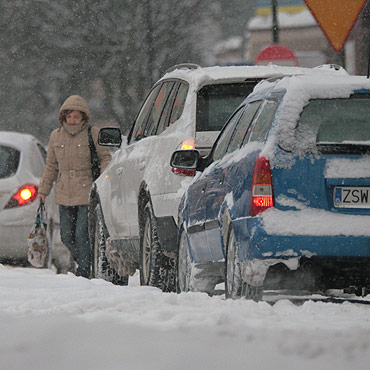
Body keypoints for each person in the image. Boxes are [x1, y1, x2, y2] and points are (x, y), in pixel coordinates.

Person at [38, 95, 112, 278]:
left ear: (83, 118)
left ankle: (84, 272)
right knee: (66, 236)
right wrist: (43, 191)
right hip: (64, 193)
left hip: (86, 192)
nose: (72, 121)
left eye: (76, 117)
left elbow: (105, 158)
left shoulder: (92, 133)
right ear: (63, 117)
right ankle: (87, 263)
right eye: (69, 117)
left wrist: (102, 181)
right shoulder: (56, 136)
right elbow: (51, 166)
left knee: (81, 235)